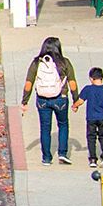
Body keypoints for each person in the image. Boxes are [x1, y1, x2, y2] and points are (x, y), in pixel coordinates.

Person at [22, 36, 73, 164]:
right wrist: (76, 99)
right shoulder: (64, 62)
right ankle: (62, 153)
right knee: (63, 125)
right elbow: (72, 83)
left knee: (45, 128)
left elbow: (28, 84)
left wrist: (24, 101)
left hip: (42, 100)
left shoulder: (36, 63)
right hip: (60, 99)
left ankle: (46, 158)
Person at [78, 66, 103, 177]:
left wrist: (74, 106)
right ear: (102, 78)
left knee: (91, 137)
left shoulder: (88, 89)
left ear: (91, 78)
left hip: (91, 117)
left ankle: (93, 159)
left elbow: (80, 101)